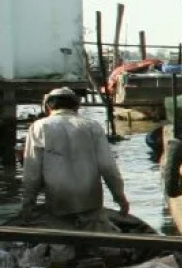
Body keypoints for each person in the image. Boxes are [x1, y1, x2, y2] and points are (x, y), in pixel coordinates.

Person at [19, 87, 127, 229]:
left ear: (48, 107)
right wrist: (120, 197)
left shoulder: (39, 126)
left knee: (60, 238)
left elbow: (32, 172)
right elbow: (108, 167)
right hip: (90, 200)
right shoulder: (92, 126)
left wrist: (28, 203)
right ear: (77, 106)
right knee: (95, 236)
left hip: (58, 201)